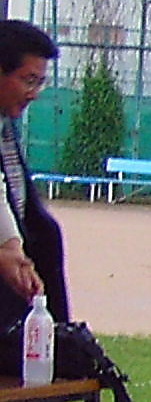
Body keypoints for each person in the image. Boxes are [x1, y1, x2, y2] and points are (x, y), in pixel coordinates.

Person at [0, 21, 67, 324]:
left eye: (39, 82)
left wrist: (13, 248)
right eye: (28, 80)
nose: (34, 93)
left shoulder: (6, 126)